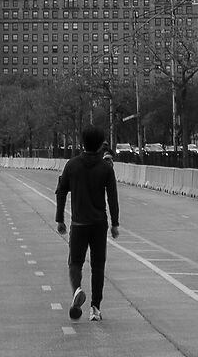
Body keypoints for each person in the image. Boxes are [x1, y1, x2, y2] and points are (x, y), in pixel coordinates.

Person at [54, 127, 120, 322]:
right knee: (98, 266)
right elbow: (113, 198)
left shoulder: (72, 165)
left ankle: (77, 290)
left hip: (79, 224)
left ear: (82, 143)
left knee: (75, 262)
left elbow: (61, 191)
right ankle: (95, 308)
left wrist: (60, 219)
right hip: (99, 224)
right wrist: (115, 223)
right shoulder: (106, 168)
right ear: (100, 145)